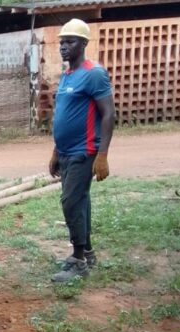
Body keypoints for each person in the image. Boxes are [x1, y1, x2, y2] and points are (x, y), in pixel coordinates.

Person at [49, 18, 116, 283]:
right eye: (62, 42)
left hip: (84, 151)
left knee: (71, 201)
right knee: (81, 201)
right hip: (65, 152)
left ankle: (77, 261)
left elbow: (108, 114)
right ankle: (86, 252)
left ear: (84, 43)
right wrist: (55, 152)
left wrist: (102, 155)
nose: (64, 47)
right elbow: (64, 117)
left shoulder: (94, 73)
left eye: (70, 41)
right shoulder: (67, 76)